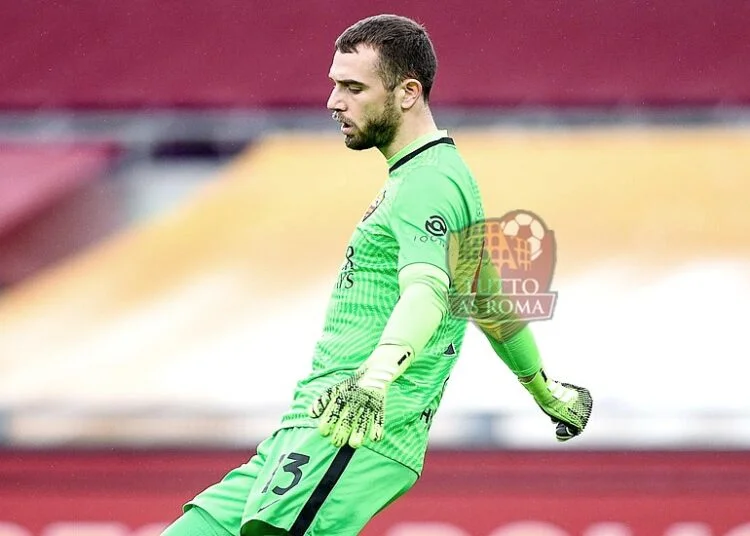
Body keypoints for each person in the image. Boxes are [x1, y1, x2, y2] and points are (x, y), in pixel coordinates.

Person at [161, 13, 592, 536]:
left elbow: (428, 292)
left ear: (408, 92)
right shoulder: (431, 179)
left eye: (353, 87)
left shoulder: (428, 182)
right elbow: (489, 303)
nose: (333, 101)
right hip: (312, 421)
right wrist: (548, 394)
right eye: (334, 85)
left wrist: (374, 380)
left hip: (357, 426)